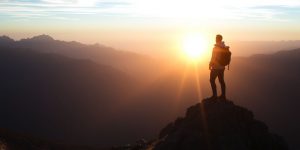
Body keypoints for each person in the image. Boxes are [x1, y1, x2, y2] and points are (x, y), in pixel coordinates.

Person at [209, 34, 229, 99]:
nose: (215, 39)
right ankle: (223, 95)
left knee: (212, 80)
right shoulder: (224, 46)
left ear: (217, 39)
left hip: (216, 67)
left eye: (216, 38)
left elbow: (213, 58)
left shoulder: (215, 48)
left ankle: (214, 96)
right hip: (222, 67)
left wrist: (210, 64)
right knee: (221, 81)